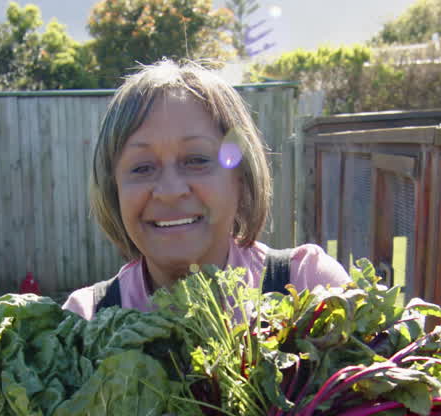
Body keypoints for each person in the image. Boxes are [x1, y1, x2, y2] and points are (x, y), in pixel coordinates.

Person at [62, 59, 350, 319]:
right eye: (142, 167)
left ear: (241, 176)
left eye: (196, 160)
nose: (170, 190)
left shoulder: (311, 288)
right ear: (114, 190)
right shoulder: (83, 322)